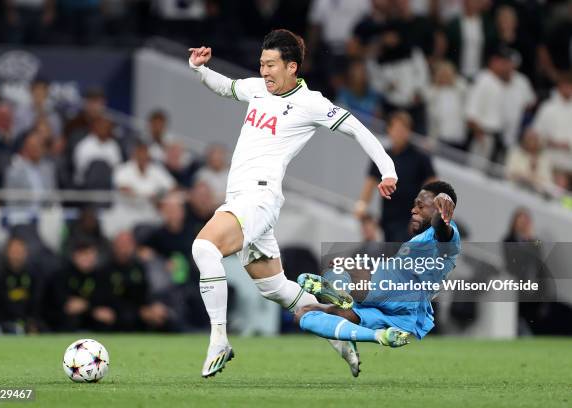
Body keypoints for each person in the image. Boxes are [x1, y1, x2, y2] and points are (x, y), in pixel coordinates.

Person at [188, 29, 397, 378]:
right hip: (242, 199)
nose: (264, 71)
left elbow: (358, 129)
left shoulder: (311, 103)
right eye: (261, 64)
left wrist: (387, 170)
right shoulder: (257, 89)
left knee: (204, 249)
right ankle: (338, 333)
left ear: (292, 67)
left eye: (270, 65)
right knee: (275, 287)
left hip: (259, 197)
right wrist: (199, 70)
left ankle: (219, 340)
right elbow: (226, 87)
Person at [295, 181, 460, 352]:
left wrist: (443, 209)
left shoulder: (446, 236)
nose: (413, 210)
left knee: (344, 268)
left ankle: (343, 289)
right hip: (401, 316)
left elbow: (442, 227)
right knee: (305, 315)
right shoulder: (418, 240)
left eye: (420, 206)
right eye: (414, 206)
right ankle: (378, 335)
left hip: (399, 293)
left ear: (440, 209)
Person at [356, 111, 435, 242]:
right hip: (387, 217)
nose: (400, 133)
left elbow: (433, 187)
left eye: (404, 129)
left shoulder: (420, 158)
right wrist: (362, 206)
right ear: (389, 129)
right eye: (397, 128)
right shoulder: (382, 156)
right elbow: (369, 185)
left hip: (410, 219)